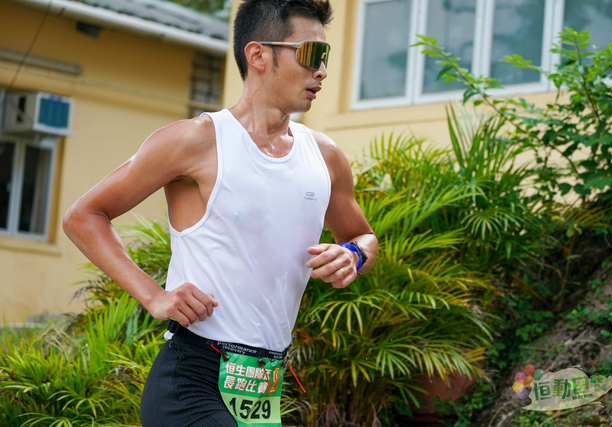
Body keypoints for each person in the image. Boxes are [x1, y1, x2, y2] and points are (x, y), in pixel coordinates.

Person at [63, 0, 377, 425]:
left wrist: (353, 254)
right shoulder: (195, 141)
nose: (321, 71)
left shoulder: (325, 156)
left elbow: (363, 237)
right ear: (258, 55)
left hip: (262, 388)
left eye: (326, 56)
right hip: (192, 380)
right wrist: (154, 296)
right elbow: (84, 216)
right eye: (311, 54)